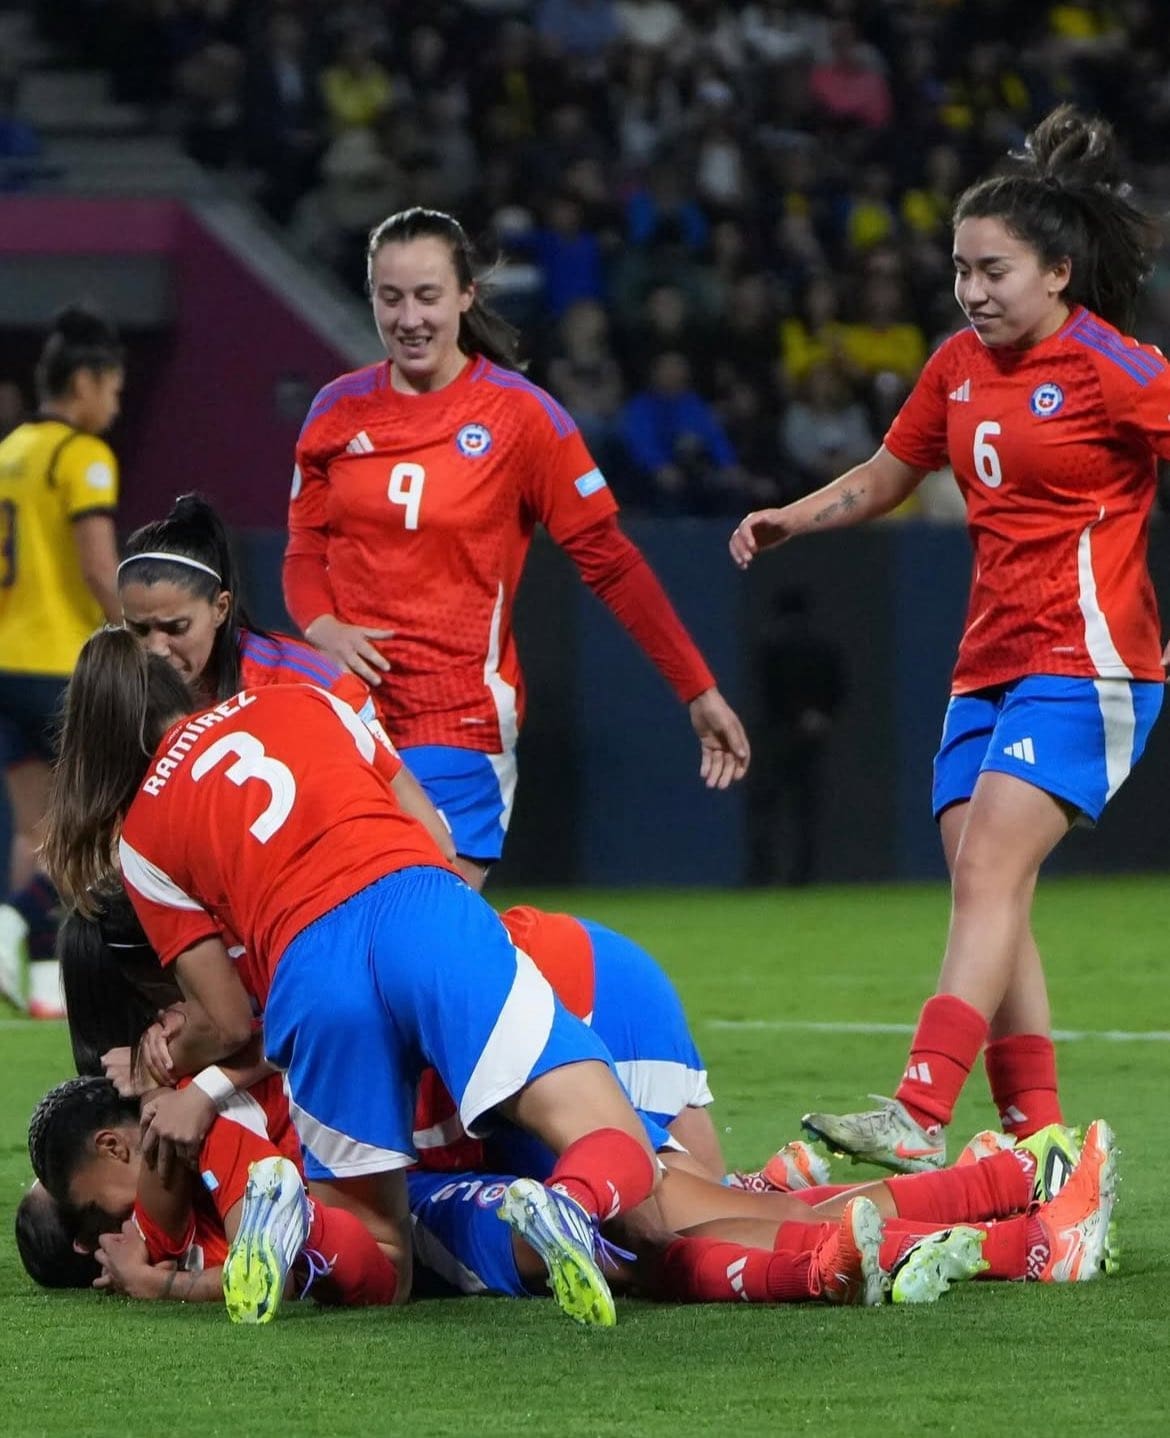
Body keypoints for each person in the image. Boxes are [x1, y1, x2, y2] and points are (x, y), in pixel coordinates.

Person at [730, 104, 1170, 1171]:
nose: (972, 291)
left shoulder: (1115, 366)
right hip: (989, 668)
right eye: (961, 271)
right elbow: (890, 474)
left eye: (994, 271)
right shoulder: (957, 366)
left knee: (986, 875)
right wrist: (800, 513)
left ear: (1058, 272)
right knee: (991, 889)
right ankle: (1041, 1146)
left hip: (1089, 660)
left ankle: (922, 1112)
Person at [41, 627, 679, 1328]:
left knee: (382, 1259)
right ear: (179, 690)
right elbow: (434, 834)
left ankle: (301, 1228)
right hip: (417, 909)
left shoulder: (143, 842)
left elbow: (224, 1022)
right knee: (609, 1134)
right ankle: (573, 1203)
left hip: (310, 976)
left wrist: (170, 1060)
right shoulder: (302, 699)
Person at [282, 206, 749, 889]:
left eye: (428, 296)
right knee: (345, 950)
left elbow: (612, 564)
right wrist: (321, 626)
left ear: (466, 295)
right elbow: (302, 551)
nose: (409, 317)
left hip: (458, 720)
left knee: (417, 931)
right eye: (391, 298)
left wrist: (696, 687)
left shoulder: (520, 417)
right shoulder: (335, 410)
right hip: (347, 715)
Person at [117, 492, 454, 863]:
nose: (156, 649)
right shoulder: (116, 683)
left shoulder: (311, 683)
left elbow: (432, 839)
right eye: (138, 629)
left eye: (176, 628)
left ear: (220, 609)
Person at [0, 306, 123, 1018]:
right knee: (106, 826)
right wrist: (142, 643)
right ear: (84, 382)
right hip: (57, 665)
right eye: (112, 389)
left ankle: (43, 983)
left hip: (5, 659)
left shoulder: (11, 450)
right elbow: (100, 568)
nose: (113, 404)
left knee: (33, 830)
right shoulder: (82, 456)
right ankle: (16, 915)